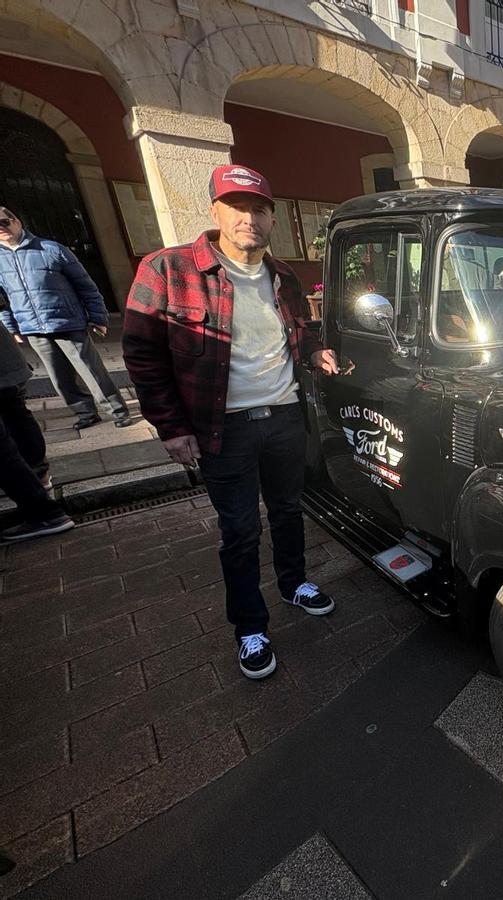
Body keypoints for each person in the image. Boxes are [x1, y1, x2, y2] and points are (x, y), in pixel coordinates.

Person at [123, 164, 346, 681]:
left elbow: (301, 330)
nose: (250, 217)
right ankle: (250, 626)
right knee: (240, 529)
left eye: (260, 208)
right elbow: (142, 354)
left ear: (272, 217)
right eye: (238, 206)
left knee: (290, 510)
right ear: (215, 210)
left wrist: (315, 353)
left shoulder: (283, 275)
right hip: (223, 428)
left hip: (285, 416)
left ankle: (294, 584)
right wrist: (171, 427)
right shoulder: (167, 269)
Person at [0, 206, 132, 430]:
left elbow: (86, 285)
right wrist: (12, 328)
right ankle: (85, 412)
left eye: (4, 222)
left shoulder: (50, 249)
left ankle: (117, 410)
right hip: (32, 327)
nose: (2, 229)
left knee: (91, 370)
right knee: (59, 377)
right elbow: (2, 299)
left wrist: (98, 316)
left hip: (66, 321)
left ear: (17, 222)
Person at [0, 321, 74, 542]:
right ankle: (39, 476)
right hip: (5, 361)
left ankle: (43, 512)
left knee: (3, 445)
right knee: (16, 415)